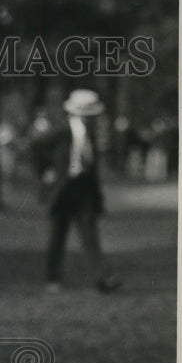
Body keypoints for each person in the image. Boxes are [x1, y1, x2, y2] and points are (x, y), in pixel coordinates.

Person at [35, 88, 121, 293]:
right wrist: (46, 171)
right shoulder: (61, 131)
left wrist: (97, 195)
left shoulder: (90, 135)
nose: (91, 119)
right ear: (77, 113)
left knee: (90, 236)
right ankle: (52, 279)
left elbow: (91, 166)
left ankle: (103, 279)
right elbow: (36, 147)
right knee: (58, 235)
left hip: (84, 191)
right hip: (63, 191)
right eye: (87, 115)